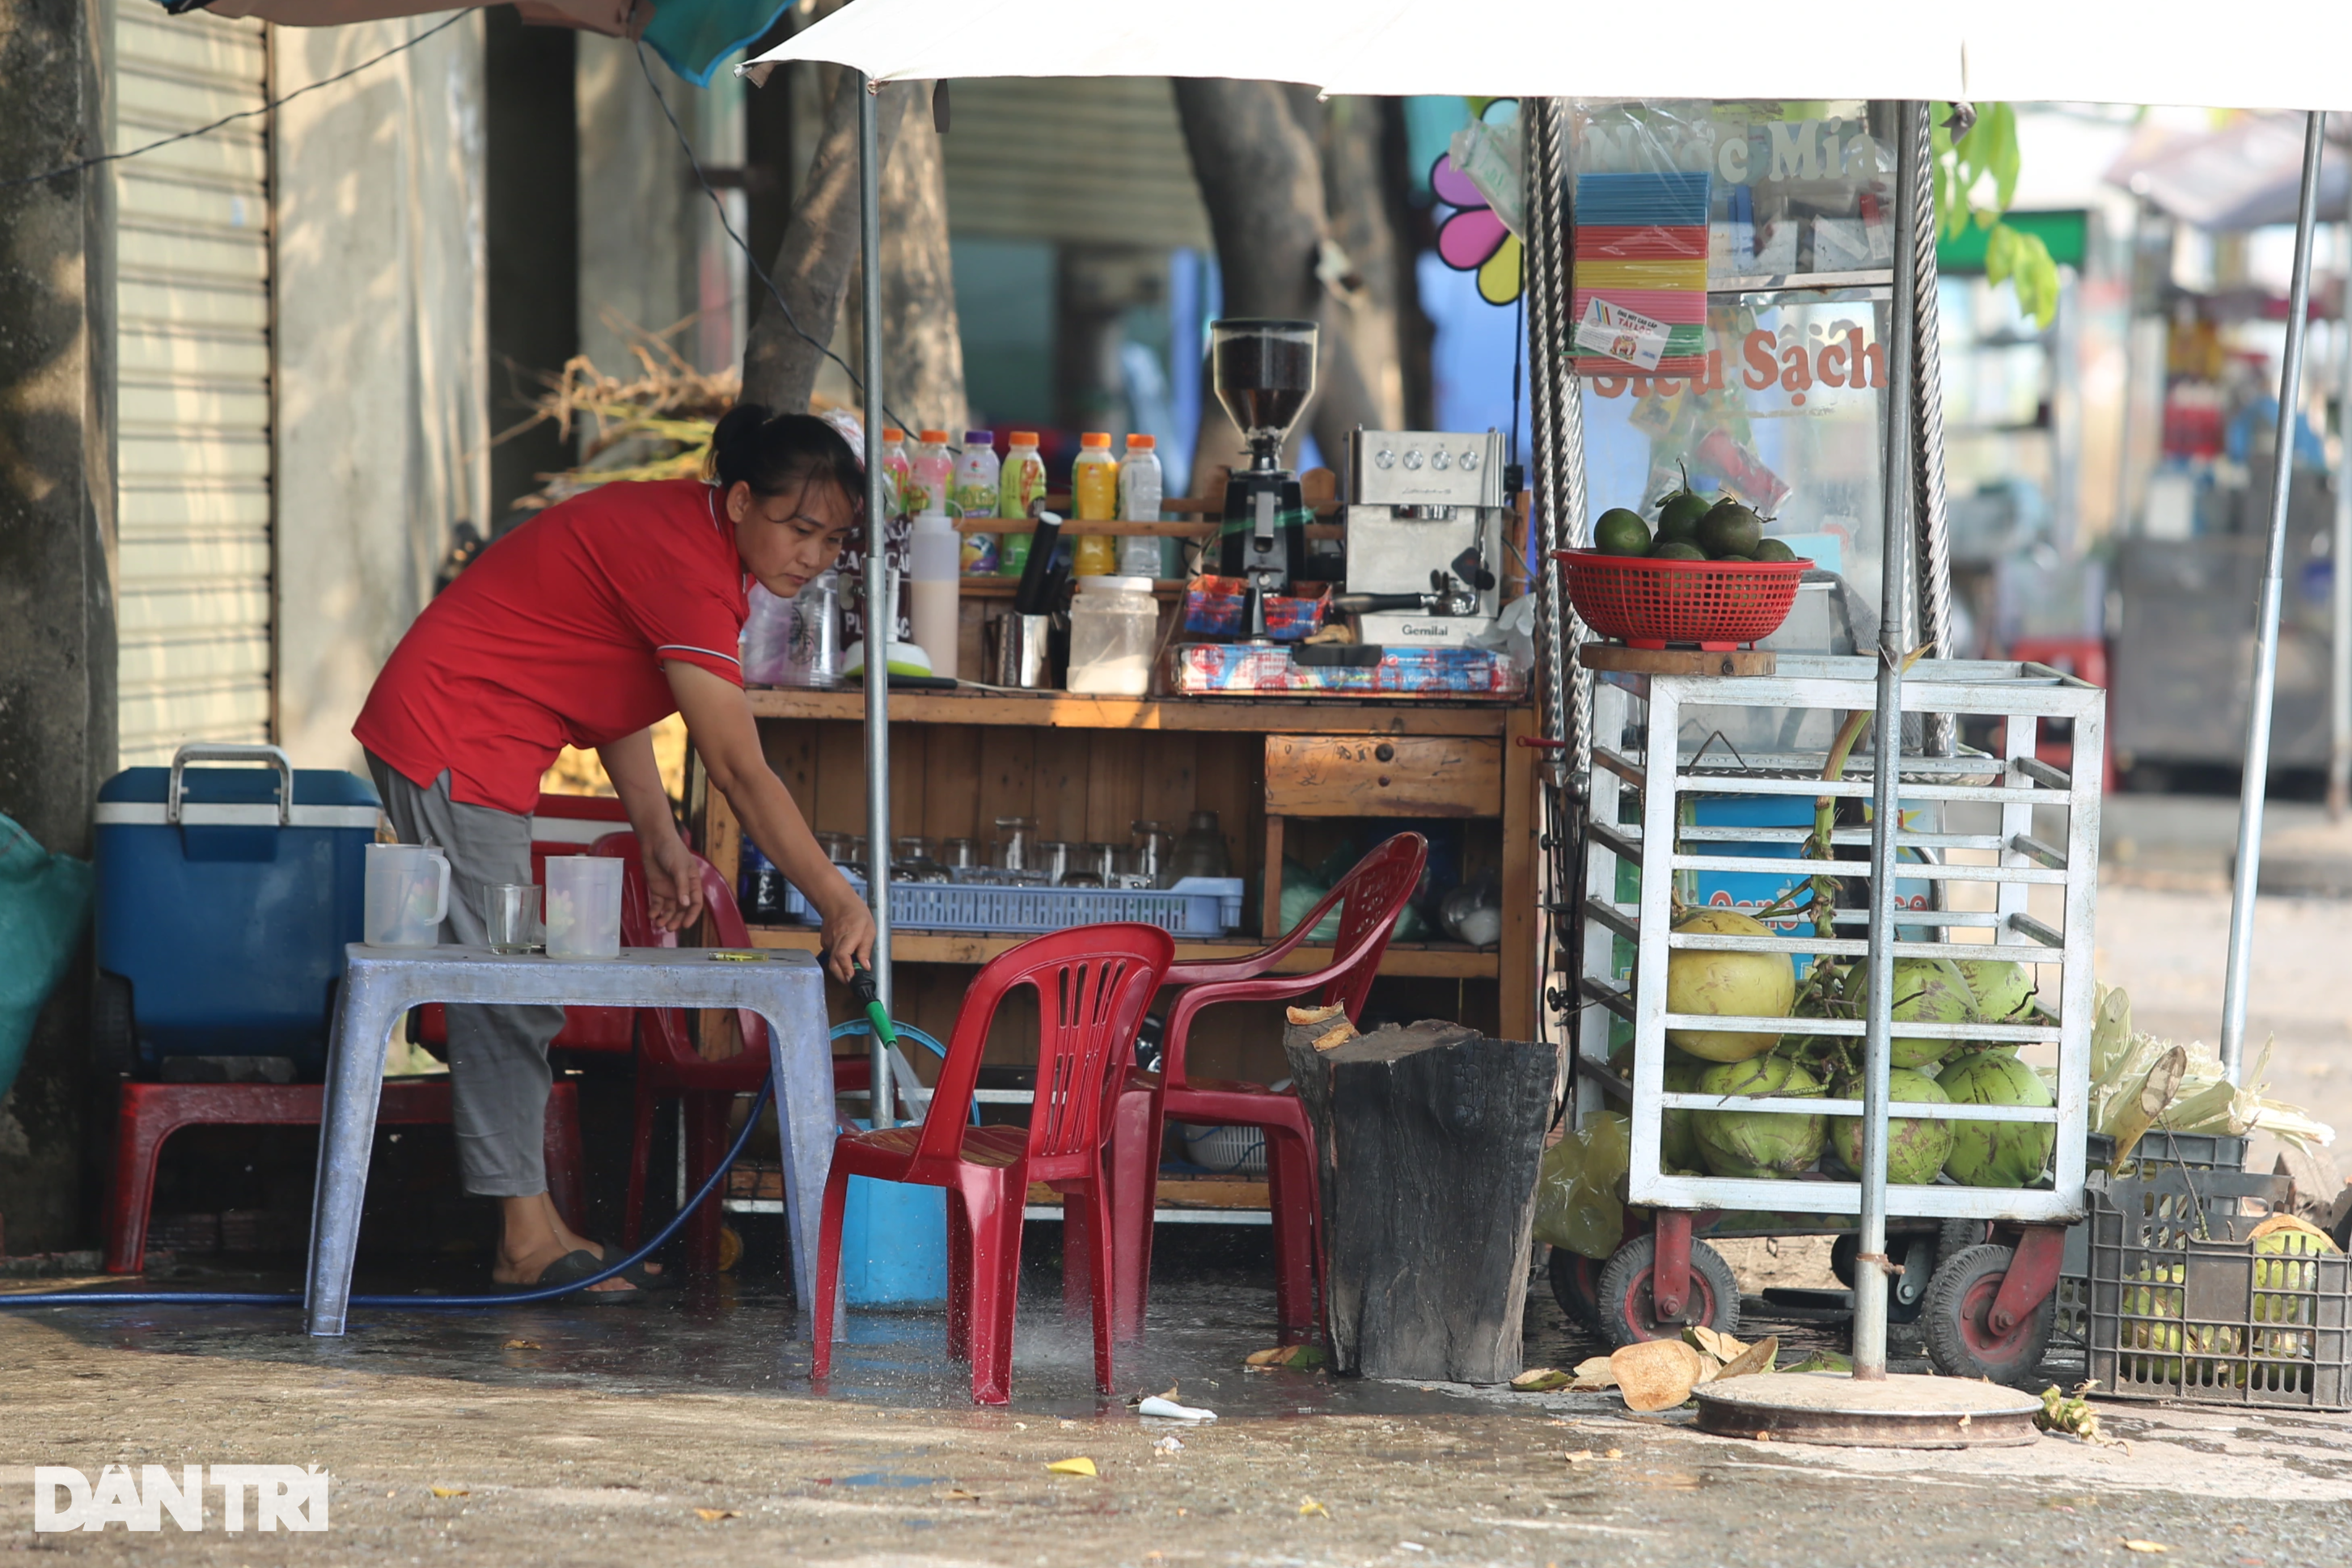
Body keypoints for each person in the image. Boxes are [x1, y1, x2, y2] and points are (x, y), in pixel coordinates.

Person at [353, 404, 878, 1295]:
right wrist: (837, 897)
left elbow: (609, 692)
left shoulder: (697, 541)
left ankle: (540, 1224)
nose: (814, 555)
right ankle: (523, 1238)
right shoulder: (687, 561)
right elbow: (740, 770)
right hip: (452, 728)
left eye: (833, 540)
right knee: (505, 986)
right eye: (799, 528)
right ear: (744, 499)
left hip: (482, 733)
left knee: (518, 978)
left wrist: (659, 837)